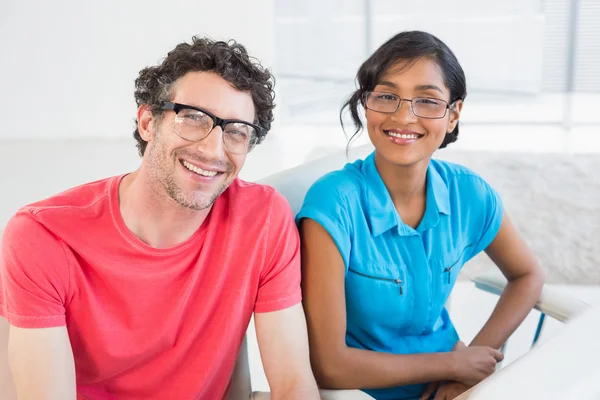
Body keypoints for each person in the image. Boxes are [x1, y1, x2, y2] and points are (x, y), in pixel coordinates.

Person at [0, 36, 321, 400]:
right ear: (148, 123)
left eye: (235, 132)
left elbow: (295, 385)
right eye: (194, 119)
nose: (212, 150)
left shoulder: (263, 218)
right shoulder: (44, 235)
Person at [296, 31, 545, 400]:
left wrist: (470, 369)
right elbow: (328, 365)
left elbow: (527, 275)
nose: (403, 116)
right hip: (362, 392)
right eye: (386, 96)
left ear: (453, 115)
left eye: (427, 101)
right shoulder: (334, 201)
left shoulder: (469, 192)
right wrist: (450, 366)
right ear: (367, 105)